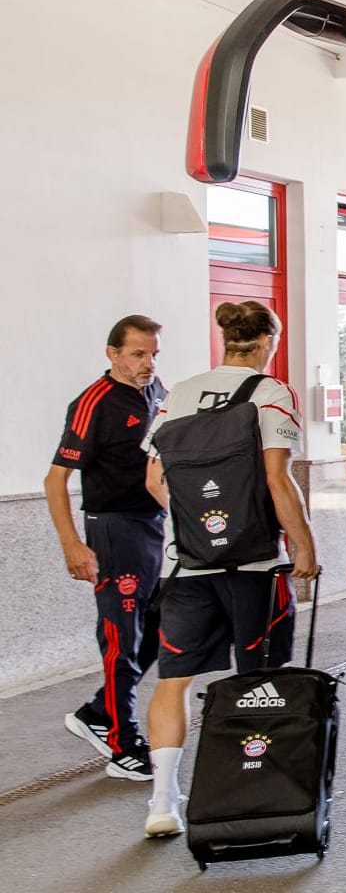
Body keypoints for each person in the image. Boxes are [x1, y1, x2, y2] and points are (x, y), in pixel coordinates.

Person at [139, 300, 319, 838]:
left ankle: (161, 803)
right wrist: (304, 547)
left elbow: (154, 480)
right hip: (255, 564)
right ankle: (255, 793)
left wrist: (202, 524)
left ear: (225, 340)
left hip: (190, 563)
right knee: (258, 680)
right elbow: (276, 480)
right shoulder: (271, 393)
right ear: (268, 342)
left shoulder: (181, 392)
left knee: (173, 681)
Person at [44, 315, 167, 782]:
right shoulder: (93, 403)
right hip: (113, 528)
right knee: (122, 637)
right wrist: (72, 544)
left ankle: (99, 711)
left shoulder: (157, 391)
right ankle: (121, 744)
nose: (148, 363)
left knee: (154, 630)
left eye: (154, 353)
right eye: (138, 354)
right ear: (112, 353)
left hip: (153, 524)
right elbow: (55, 480)